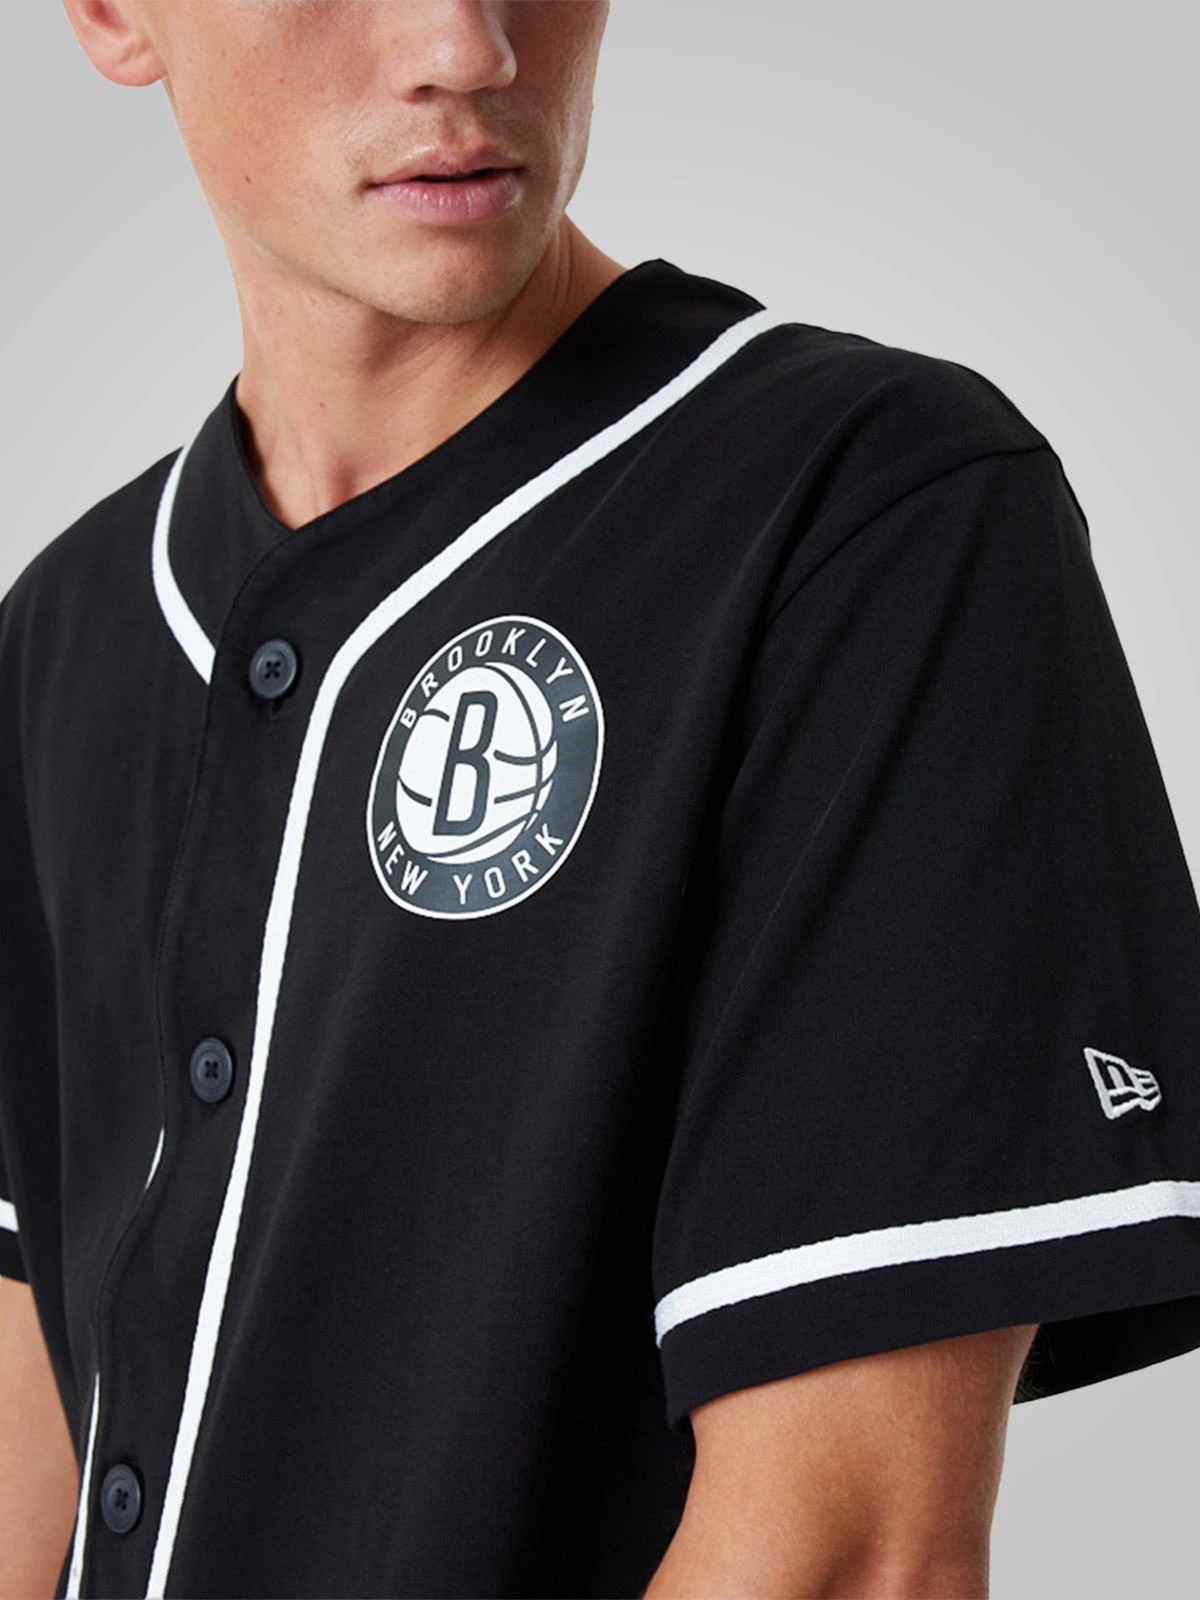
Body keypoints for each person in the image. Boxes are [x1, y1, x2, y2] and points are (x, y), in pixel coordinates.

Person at [3, 3, 1199, 1597]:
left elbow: (850, 1555)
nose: (468, 46)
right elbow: (31, 1415)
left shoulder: (864, 520)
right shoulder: (67, 625)